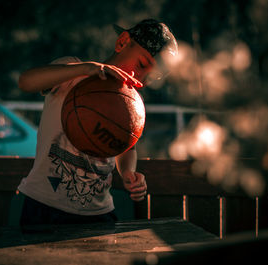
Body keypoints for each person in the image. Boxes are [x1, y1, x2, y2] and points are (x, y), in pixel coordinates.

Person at [18, 19, 178, 226]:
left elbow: (126, 147)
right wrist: (85, 68)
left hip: (98, 212)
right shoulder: (73, 72)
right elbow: (26, 82)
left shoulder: (130, 104)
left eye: (151, 78)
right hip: (44, 204)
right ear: (122, 42)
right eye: (141, 64)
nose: (140, 78)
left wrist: (128, 172)